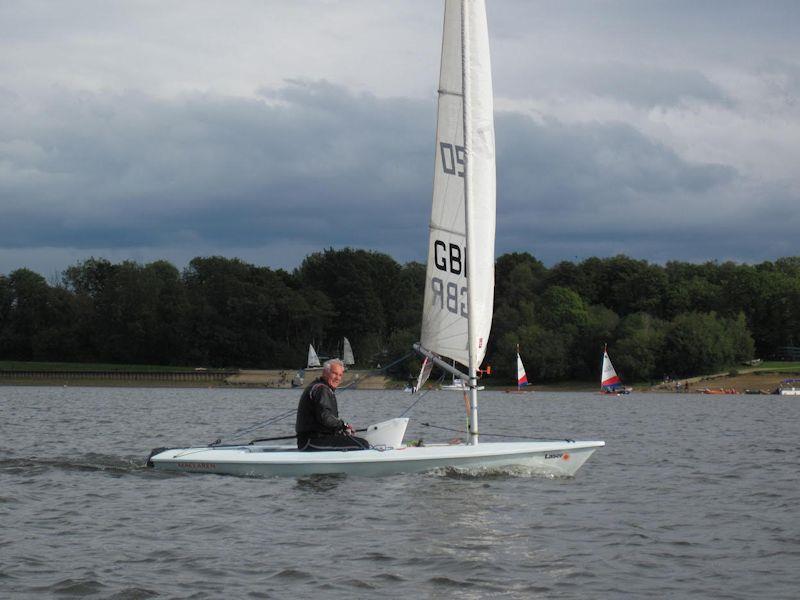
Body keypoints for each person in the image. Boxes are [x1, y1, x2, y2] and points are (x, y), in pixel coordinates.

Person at [295, 358, 370, 451]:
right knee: (362, 444)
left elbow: (326, 420)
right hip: (312, 441)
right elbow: (325, 418)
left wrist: (341, 429)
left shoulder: (321, 387)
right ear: (325, 372)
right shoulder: (321, 389)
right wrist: (343, 425)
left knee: (356, 442)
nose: (338, 378)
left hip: (313, 440)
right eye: (334, 373)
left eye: (340, 375)